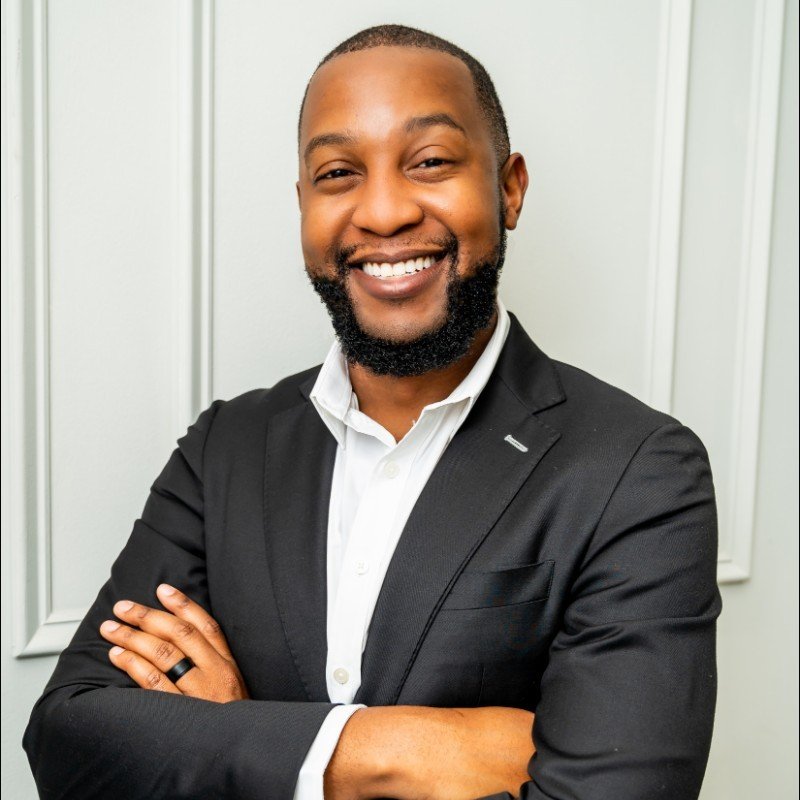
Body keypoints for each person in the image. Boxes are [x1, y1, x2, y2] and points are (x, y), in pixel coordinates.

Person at [23, 24, 721, 800]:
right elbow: (69, 740)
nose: (383, 213)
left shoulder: (640, 469)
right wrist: (387, 749)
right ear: (303, 205)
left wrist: (232, 734)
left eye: (429, 162)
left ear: (510, 186)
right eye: (338, 173)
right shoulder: (224, 448)